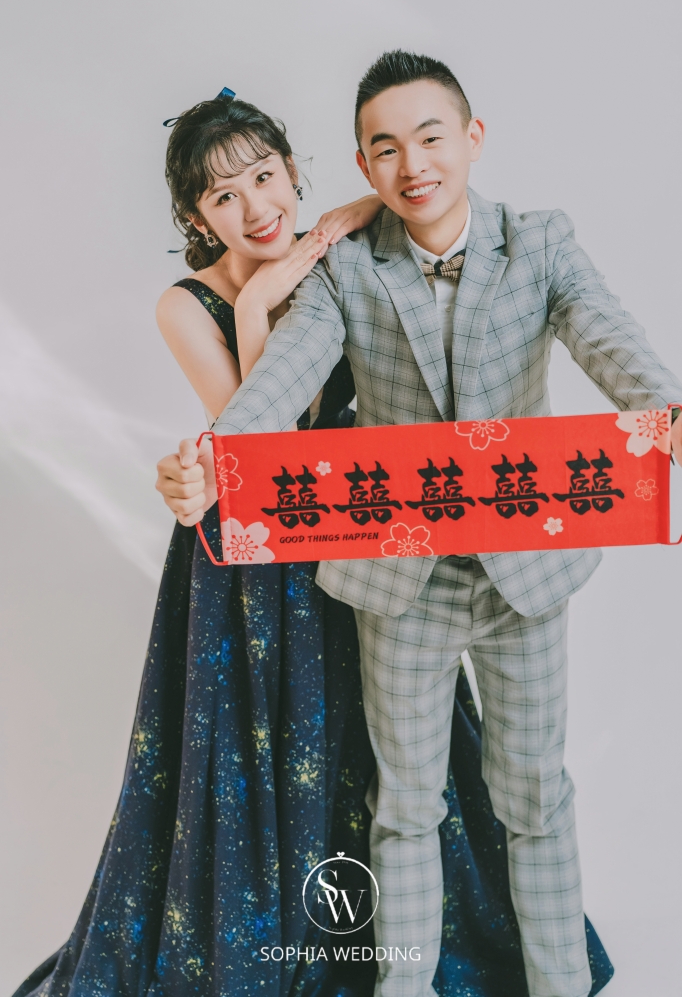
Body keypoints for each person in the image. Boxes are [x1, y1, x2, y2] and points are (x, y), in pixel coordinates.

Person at [14, 91, 616, 997]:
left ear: (295, 172)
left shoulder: (335, 250)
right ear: (196, 218)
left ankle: (412, 948)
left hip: (363, 527)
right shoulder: (186, 306)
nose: (256, 207)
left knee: (385, 745)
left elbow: (405, 192)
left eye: (267, 178)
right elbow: (264, 441)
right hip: (255, 546)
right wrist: (259, 303)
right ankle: (278, 941)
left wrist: (340, 219)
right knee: (259, 749)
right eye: (224, 197)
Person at [157, 53, 682, 997]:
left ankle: (561, 984)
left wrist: (667, 410)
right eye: (387, 148)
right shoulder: (345, 271)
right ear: (364, 165)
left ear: (472, 139)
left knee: (535, 795)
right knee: (403, 805)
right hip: (399, 581)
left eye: (430, 138)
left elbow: (606, 334)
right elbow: (282, 380)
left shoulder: (542, 242)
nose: (413, 164)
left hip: (525, 575)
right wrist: (214, 460)